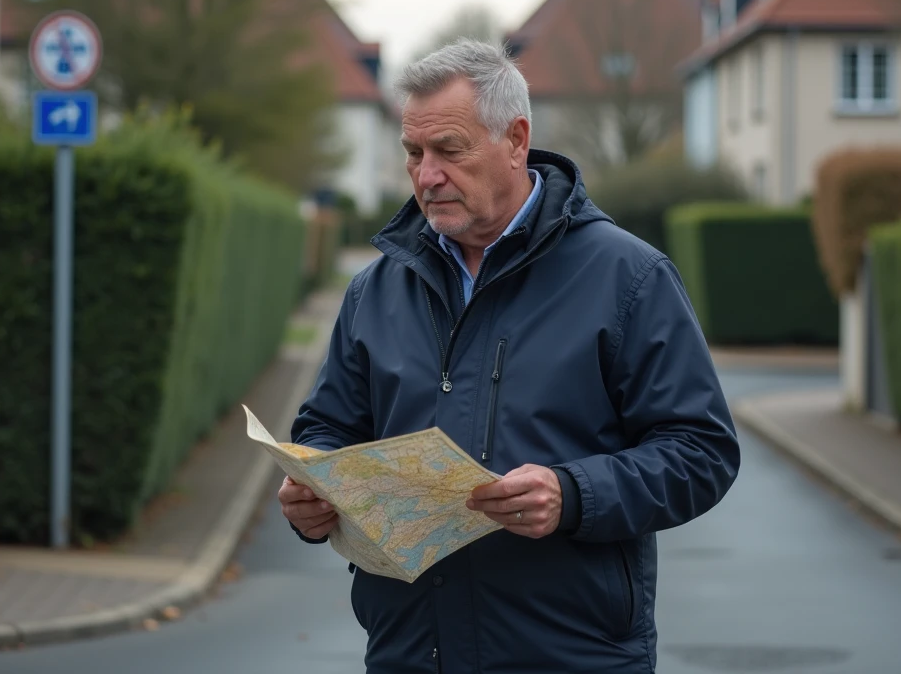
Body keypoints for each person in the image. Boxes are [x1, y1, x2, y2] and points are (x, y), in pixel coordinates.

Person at [280, 39, 740, 673]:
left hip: (569, 655)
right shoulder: (376, 288)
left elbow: (701, 451)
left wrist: (572, 493)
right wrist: (313, 492)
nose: (426, 175)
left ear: (516, 139)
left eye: (449, 150)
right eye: (414, 153)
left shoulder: (627, 277)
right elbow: (327, 428)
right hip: (411, 653)